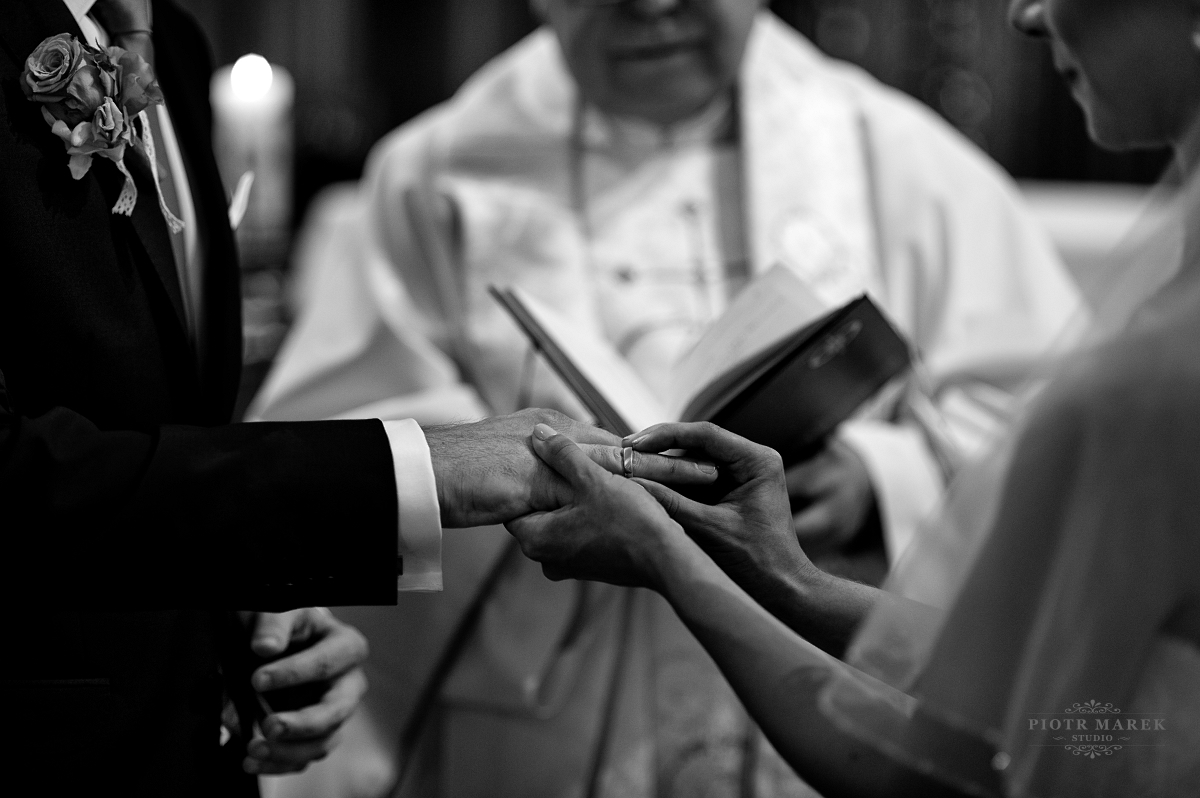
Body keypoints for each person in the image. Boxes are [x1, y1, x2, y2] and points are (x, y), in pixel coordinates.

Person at [250, 1, 1081, 795]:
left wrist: (877, 481)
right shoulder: (437, 172)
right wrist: (516, 470)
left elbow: (1048, 424)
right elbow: (335, 448)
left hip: (819, 709)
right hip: (543, 733)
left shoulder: (900, 160)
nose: (652, 4)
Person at [0, 2, 705, 795]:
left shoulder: (169, 42)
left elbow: (159, 429)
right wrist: (420, 469)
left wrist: (237, 612)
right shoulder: (441, 158)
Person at [507, 0, 1200, 795]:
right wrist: (786, 578)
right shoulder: (443, 165)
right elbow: (1071, 696)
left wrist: (668, 558)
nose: (1024, 14)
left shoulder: (1157, 370)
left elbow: (945, 777)